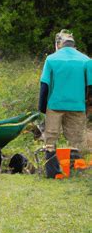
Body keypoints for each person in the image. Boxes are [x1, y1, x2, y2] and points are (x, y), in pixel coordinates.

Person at [38, 29, 91, 177]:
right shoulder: (86, 60)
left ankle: (53, 173)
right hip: (77, 105)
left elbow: (45, 86)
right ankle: (74, 170)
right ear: (74, 45)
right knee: (75, 139)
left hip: (55, 105)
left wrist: (42, 108)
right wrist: (86, 104)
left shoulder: (51, 59)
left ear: (58, 44)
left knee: (51, 139)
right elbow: (90, 87)